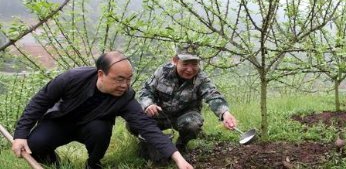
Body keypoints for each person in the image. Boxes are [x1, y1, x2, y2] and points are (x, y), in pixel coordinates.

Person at [11, 51, 193, 169]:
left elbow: (147, 126)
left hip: (91, 128)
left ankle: (92, 164)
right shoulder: (72, 78)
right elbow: (40, 102)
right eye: (119, 79)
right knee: (34, 145)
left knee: (101, 129)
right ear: (101, 74)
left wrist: (177, 157)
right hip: (61, 121)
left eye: (129, 79)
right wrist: (20, 135)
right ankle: (54, 164)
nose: (125, 85)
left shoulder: (125, 97)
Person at [135, 43, 237, 160]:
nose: (190, 69)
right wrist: (149, 104)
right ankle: (149, 144)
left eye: (194, 64)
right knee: (134, 122)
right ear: (175, 60)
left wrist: (225, 113)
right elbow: (146, 91)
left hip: (184, 117)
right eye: (185, 64)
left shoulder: (201, 78)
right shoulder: (162, 72)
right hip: (160, 114)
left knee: (193, 125)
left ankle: (181, 147)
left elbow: (212, 95)